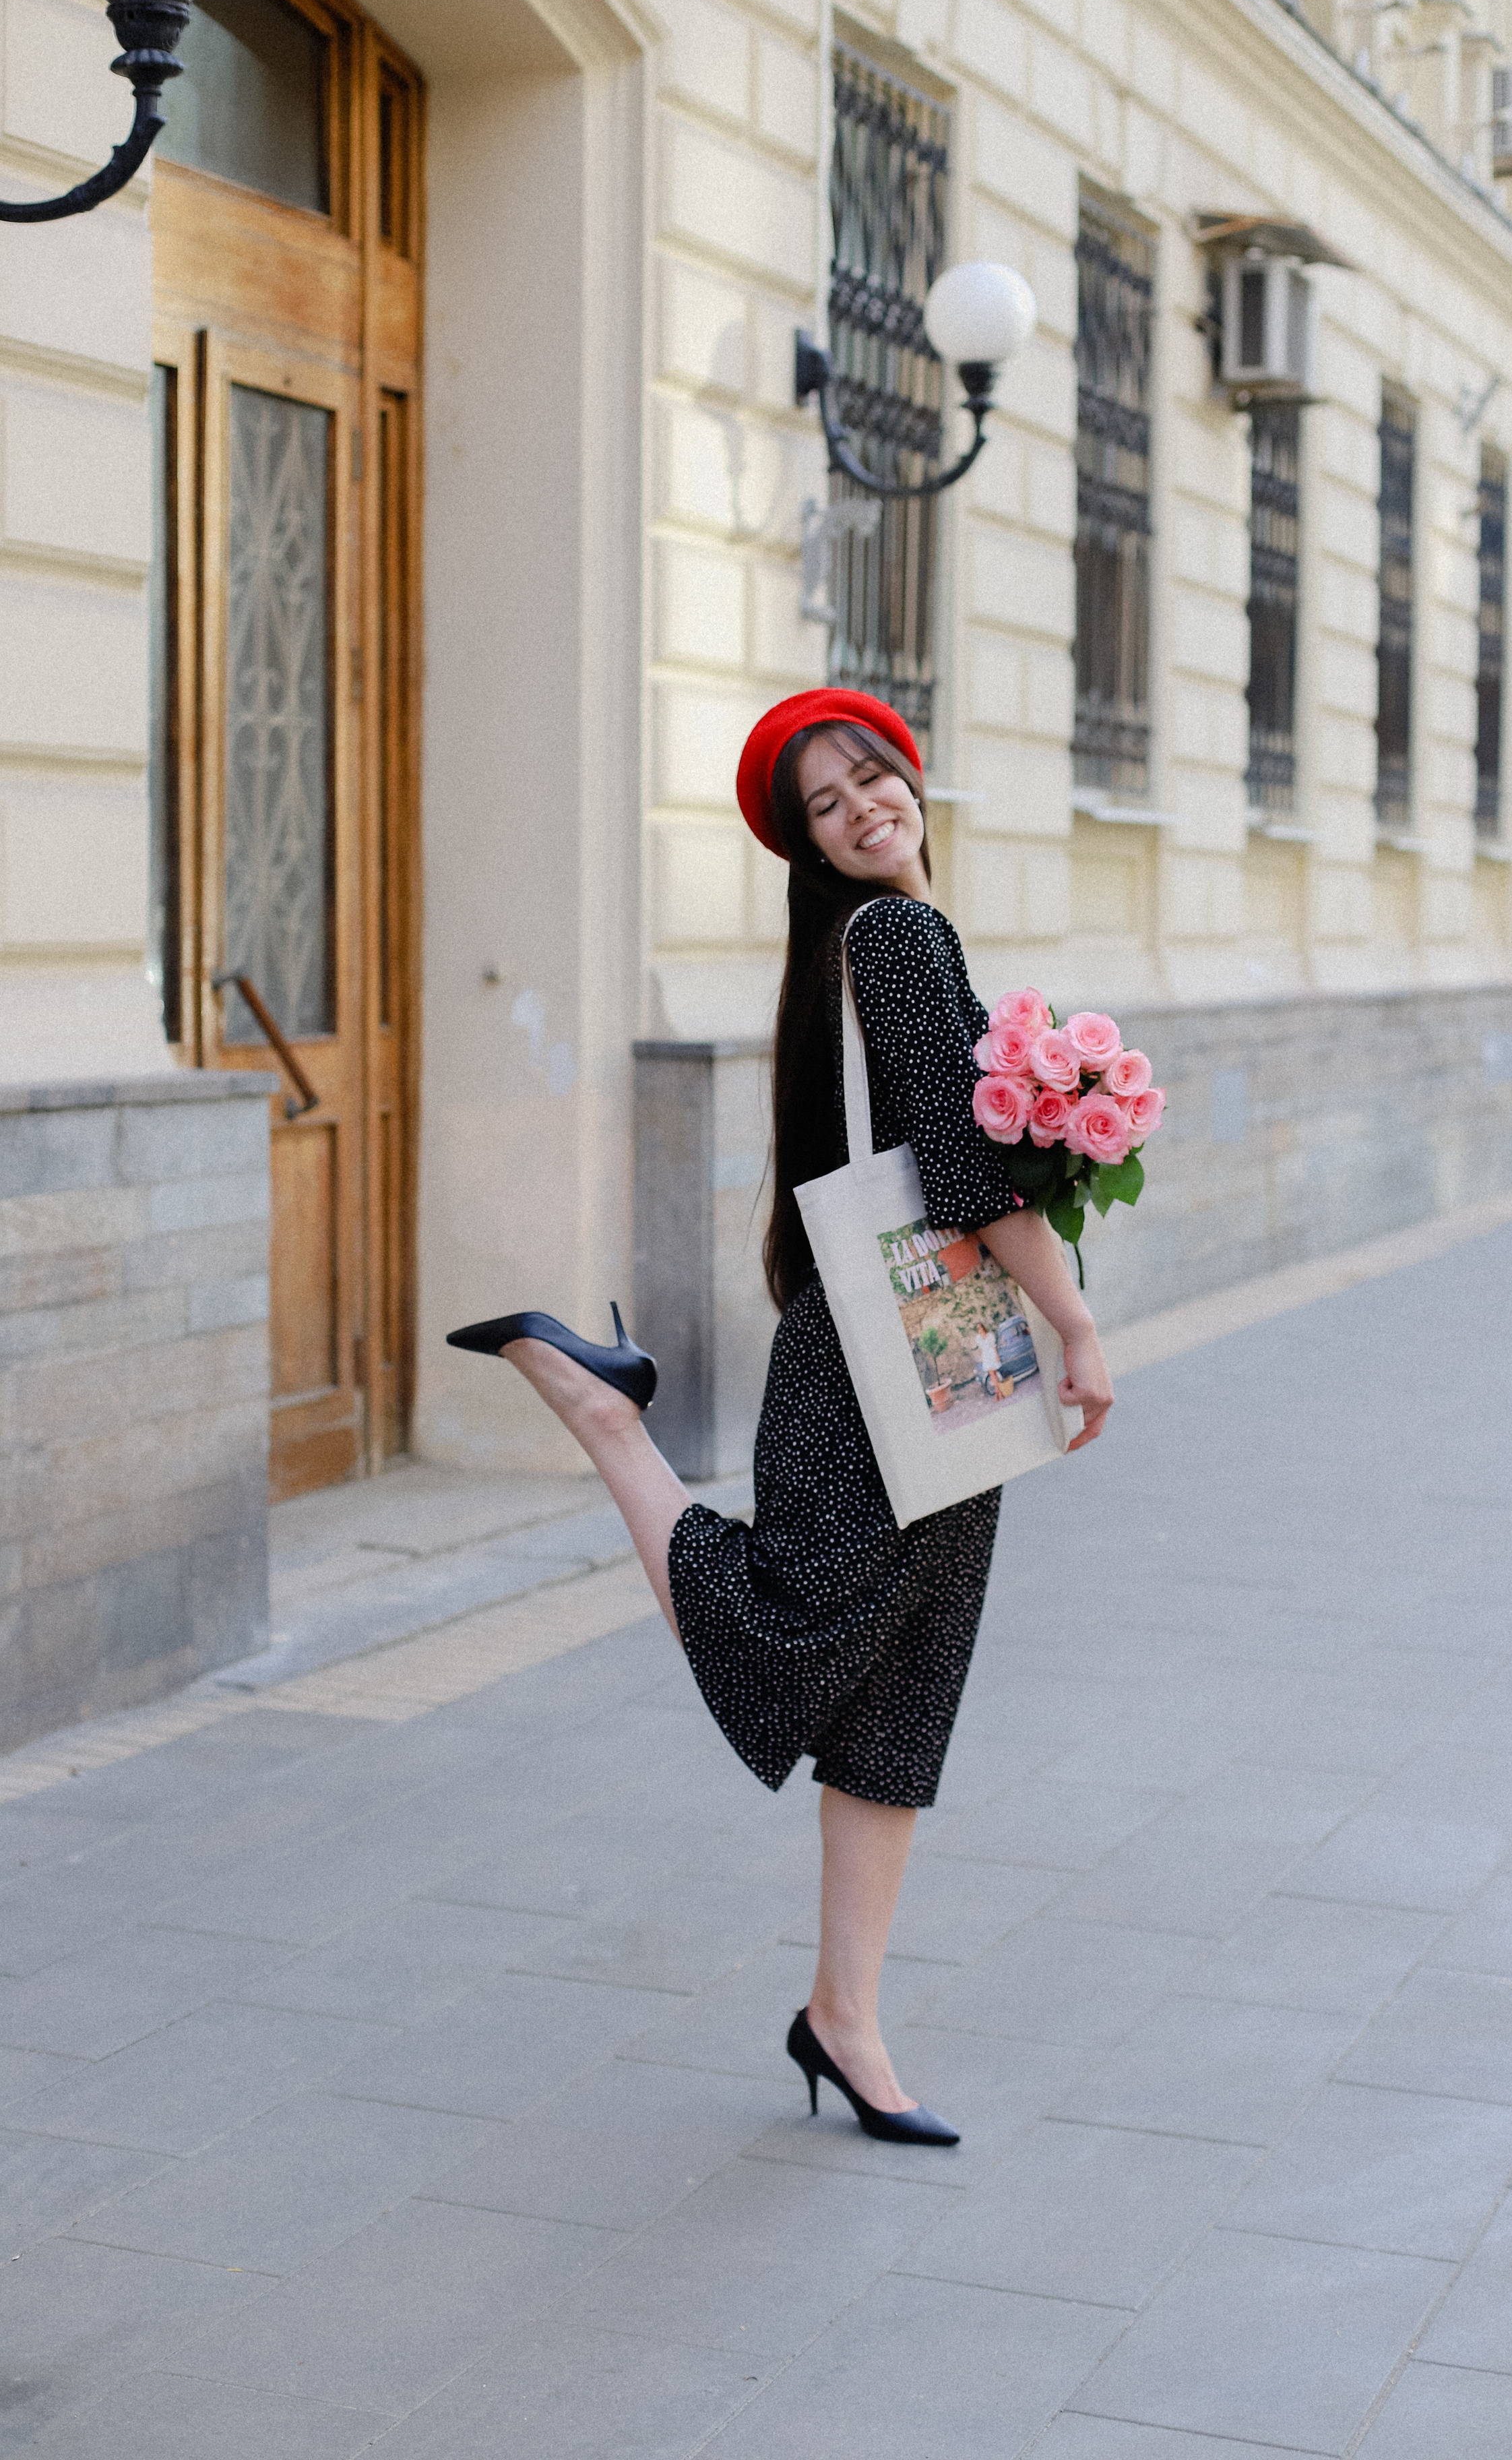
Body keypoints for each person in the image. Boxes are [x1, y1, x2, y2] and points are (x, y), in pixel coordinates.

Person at [447, 687, 1114, 2145]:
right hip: (889, 1362)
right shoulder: (895, 936)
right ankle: (609, 1420)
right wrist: (1073, 1320)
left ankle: (842, 2019)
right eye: (827, 802)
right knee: (788, 1631)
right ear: (810, 843)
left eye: (870, 773)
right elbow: (960, 1175)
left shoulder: (872, 940)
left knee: (903, 1696)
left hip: (912, 1348)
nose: (863, 805)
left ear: (908, 773)